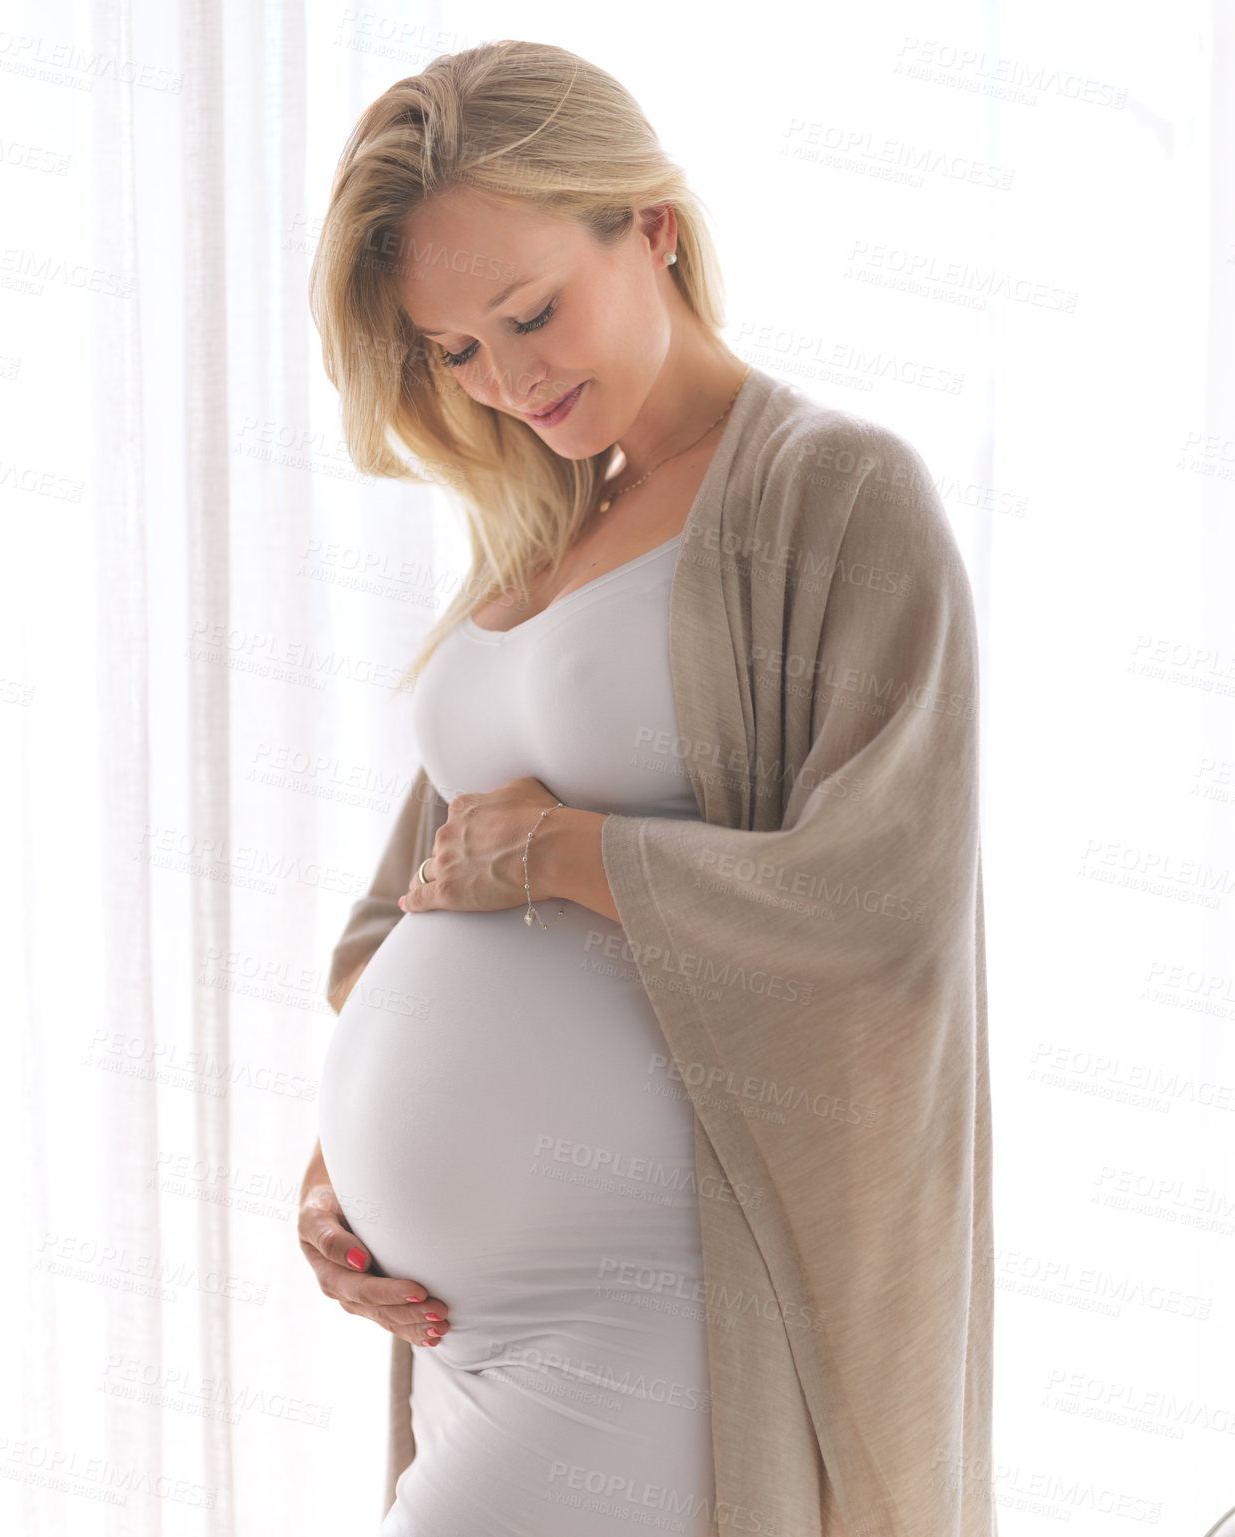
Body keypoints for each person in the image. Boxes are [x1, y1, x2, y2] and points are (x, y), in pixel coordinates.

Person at [297, 40, 996, 1537]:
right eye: (456, 351)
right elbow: (405, 913)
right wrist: (336, 1175)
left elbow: (882, 911)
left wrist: (562, 848)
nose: (509, 379)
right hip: (463, 1341)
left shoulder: (839, 496)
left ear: (652, 226)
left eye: (530, 312)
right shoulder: (533, 535)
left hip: (661, 1316)